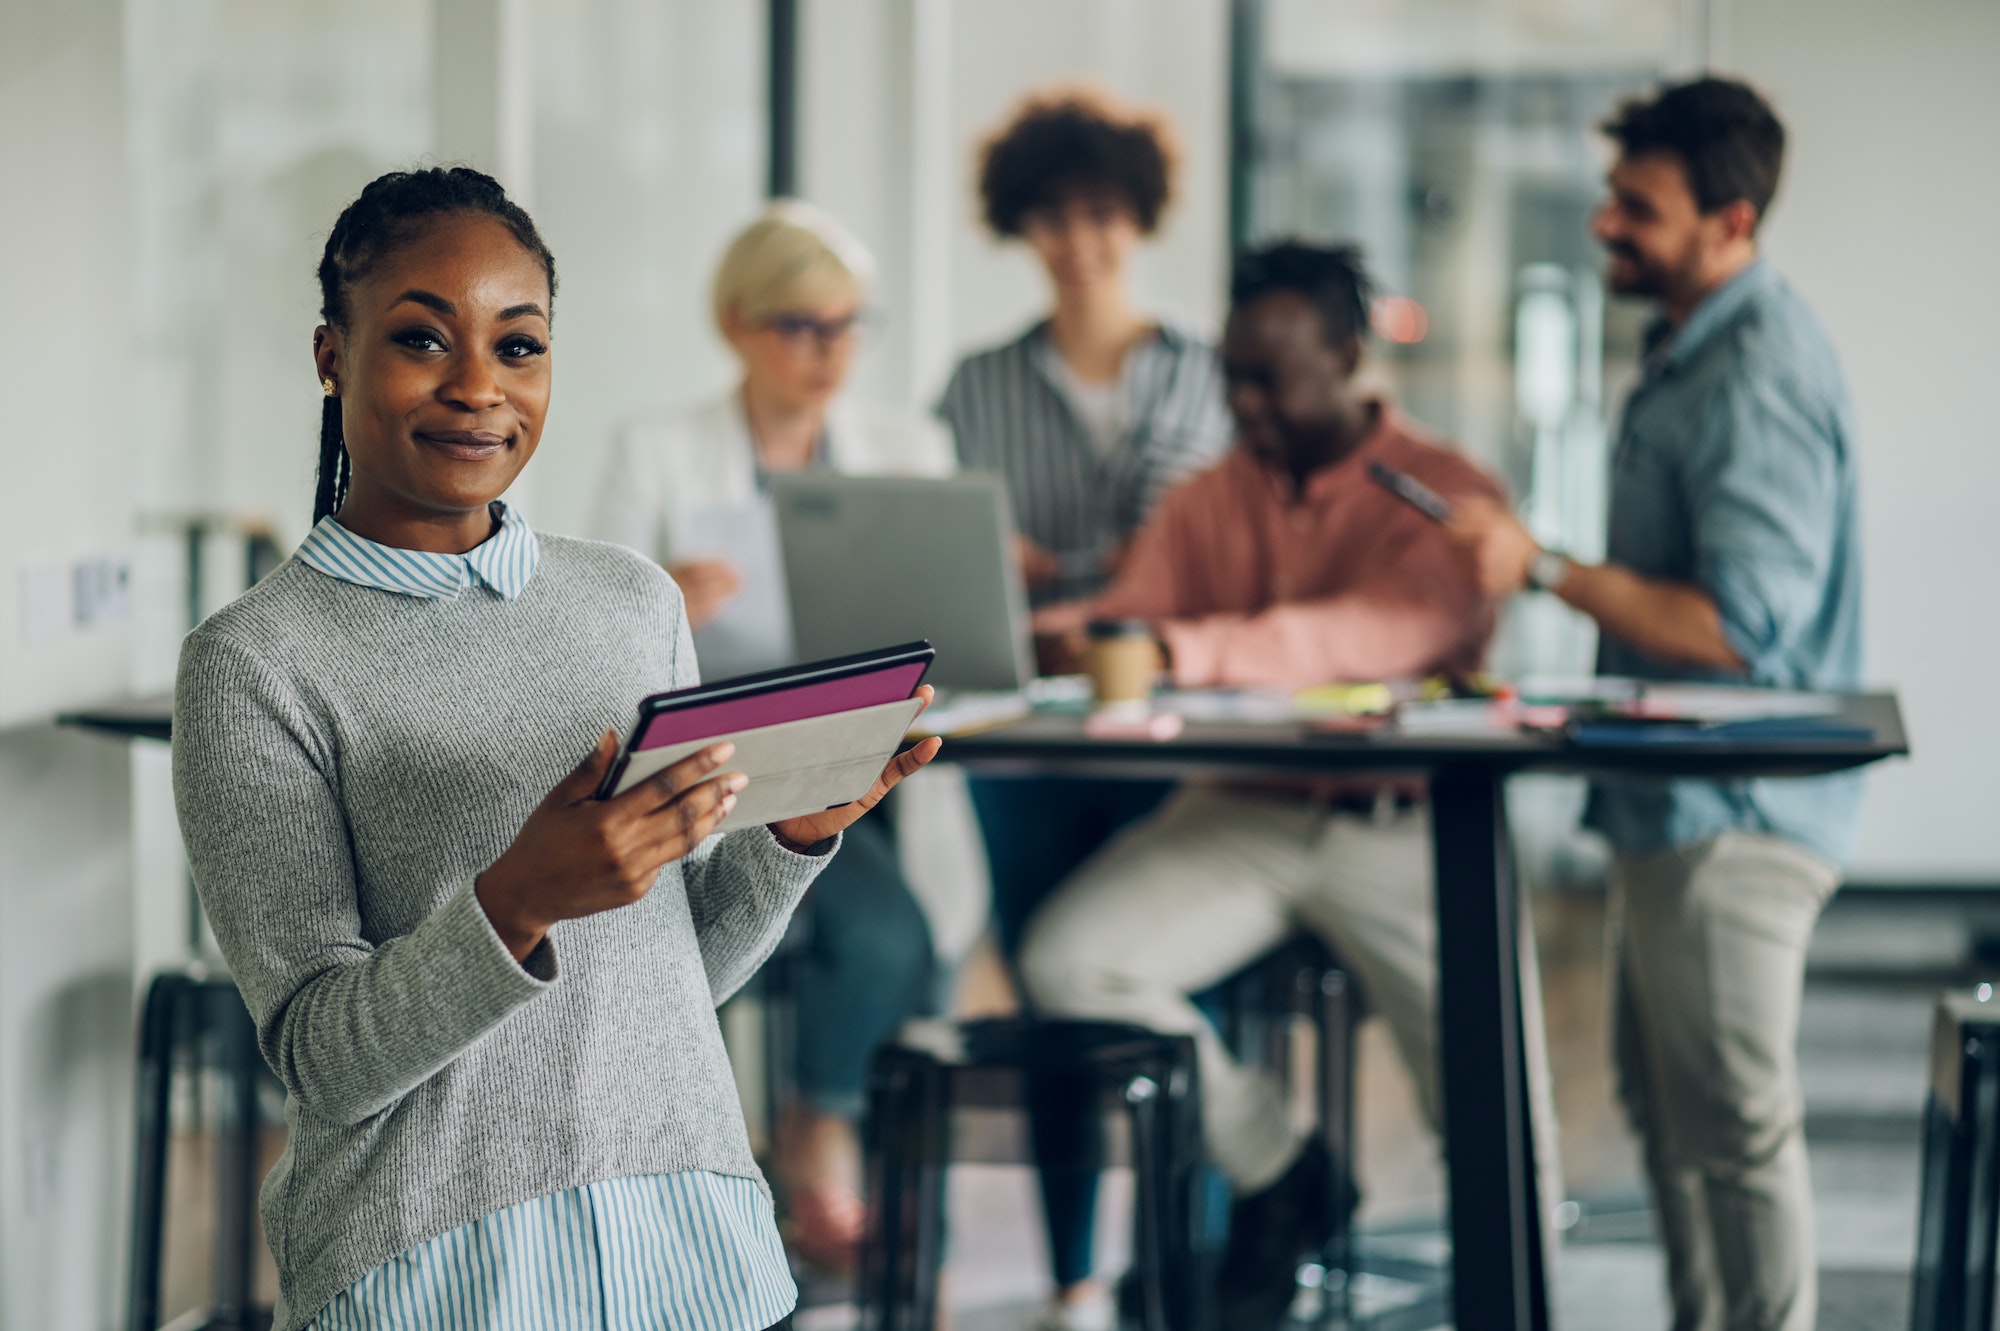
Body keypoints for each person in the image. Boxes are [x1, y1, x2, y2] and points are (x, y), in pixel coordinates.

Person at [171, 167, 939, 1331]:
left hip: (691, 1245)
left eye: (518, 347)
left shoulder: (632, 602)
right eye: (422, 339)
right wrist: (516, 900)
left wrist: (791, 835)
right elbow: (321, 1061)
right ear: (332, 353)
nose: (478, 386)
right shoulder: (253, 662)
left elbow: (670, 986)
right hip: (438, 1270)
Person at [1021, 241, 1561, 1331]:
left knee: (1494, 1112)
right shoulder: (1207, 498)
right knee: (1068, 957)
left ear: (1350, 358)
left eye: (1271, 376)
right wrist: (1043, 630)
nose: (1244, 403)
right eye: (1233, 375)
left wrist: (1179, 647)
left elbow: (1376, 635)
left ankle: (1523, 1299)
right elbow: (1133, 613)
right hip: (1243, 811)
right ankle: (1280, 1168)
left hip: (1407, 827)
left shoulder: (1451, 496)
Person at [1450, 78, 1861, 1331]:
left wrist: (1542, 568)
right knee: (1668, 1118)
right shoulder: (1686, 342)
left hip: (1731, 813)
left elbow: (1737, 630)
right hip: (1665, 806)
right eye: (1610, 196)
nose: (1605, 224)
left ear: (1729, 219)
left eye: (1639, 206)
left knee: (1732, 1129)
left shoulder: (1755, 371)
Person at [589, 201, 981, 1273]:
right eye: (800, 326)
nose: (827, 351)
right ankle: (829, 1136)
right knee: (889, 930)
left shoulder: (908, 444)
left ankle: (887, 1193)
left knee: (915, 933)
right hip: (738, 769)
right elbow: (595, 640)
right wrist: (668, 602)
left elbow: (952, 616)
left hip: (885, 751)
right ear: (736, 324)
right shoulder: (659, 451)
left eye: (848, 325)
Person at [933, 86, 1232, 1330]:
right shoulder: (976, 385)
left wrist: (1067, 582)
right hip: (1029, 738)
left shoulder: (1203, 375)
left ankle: (1198, 1270)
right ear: (1024, 228)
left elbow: (1205, 556)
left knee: (1178, 992)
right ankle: (1070, 1277)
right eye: (1055, 219)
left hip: (1169, 727)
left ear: (1137, 221)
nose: (1080, 241)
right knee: (1050, 995)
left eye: (1102, 217)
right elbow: (960, 557)